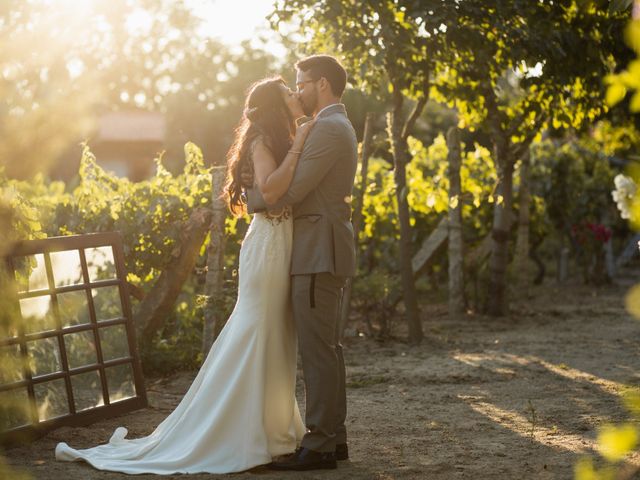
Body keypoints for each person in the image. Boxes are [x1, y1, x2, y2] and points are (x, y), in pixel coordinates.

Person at [54, 76, 316, 474]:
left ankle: (275, 429)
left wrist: (300, 137)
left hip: (281, 244)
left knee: (277, 333)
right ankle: (246, 431)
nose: (296, 98)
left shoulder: (279, 138)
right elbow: (272, 191)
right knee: (259, 331)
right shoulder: (263, 141)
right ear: (277, 107)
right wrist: (300, 143)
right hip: (268, 246)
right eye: (289, 95)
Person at [247, 54, 358, 471]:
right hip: (319, 248)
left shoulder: (329, 128)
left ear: (323, 84)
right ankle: (334, 439)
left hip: (317, 251)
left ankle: (319, 444)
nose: (297, 91)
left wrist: (254, 199)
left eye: (302, 83)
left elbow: (292, 190)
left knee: (318, 351)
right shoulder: (332, 125)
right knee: (326, 348)